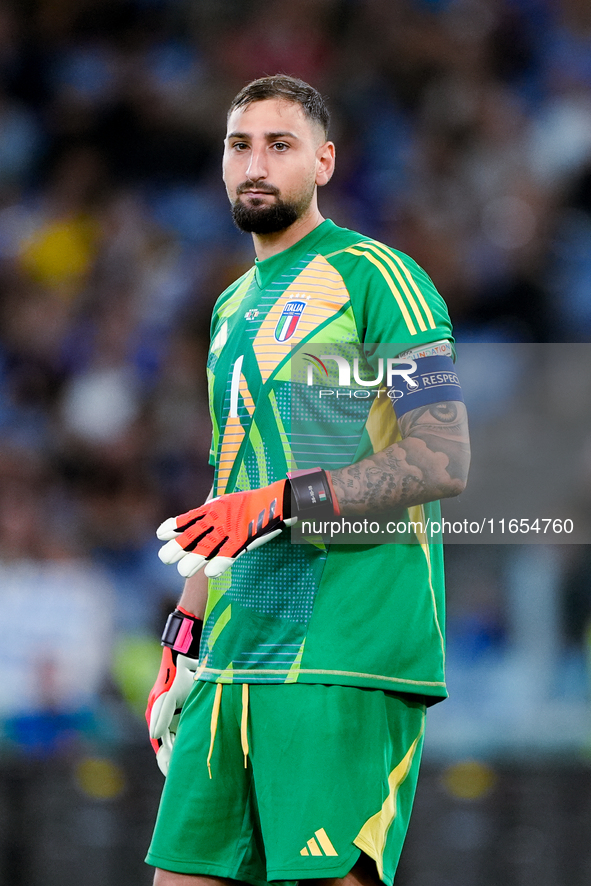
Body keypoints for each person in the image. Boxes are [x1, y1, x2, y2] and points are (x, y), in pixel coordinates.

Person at [145, 75, 470, 886]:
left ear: (324, 162)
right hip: (234, 650)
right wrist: (184, 636)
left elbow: (441, 458)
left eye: (280, 145)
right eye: (238, 145)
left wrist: (278, 505)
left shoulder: (375, 277)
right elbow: (233, 483)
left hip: (342, 650)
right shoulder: (229, 307)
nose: (255, 163)